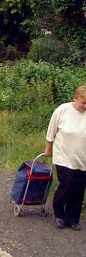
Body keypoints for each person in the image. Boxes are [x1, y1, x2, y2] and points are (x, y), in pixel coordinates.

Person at [45, 86, 86, 231]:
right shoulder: (63, 110)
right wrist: (48, 147)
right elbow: (52, 129)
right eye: (83, 102)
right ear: (76, 98)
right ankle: (59, 214)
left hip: (82, 159)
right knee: (66, 184)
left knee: (79, 189)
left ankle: (73, 218)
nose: (85, 106)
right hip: (64, 156)